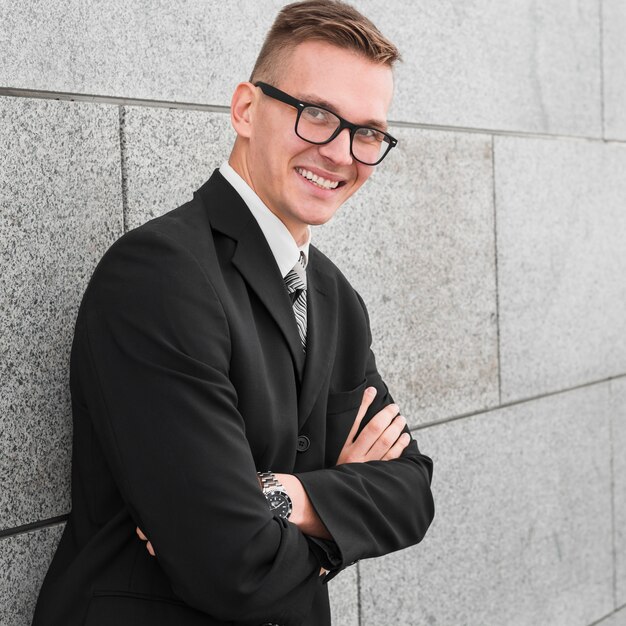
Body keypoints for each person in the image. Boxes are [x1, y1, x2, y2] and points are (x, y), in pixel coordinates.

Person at [32, 1, 434, 625]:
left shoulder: (335, 297)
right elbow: (232, 563)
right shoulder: (161, 275)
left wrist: (280, 495)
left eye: (368, 132)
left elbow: (411, 492)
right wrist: (341, 508)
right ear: (246, 109)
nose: (341, 153)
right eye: (318, 115)